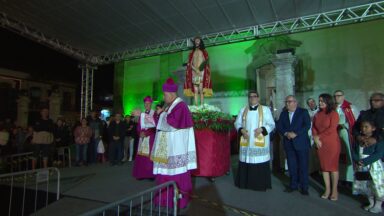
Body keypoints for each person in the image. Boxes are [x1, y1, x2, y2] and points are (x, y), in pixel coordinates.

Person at [151, 78, 197, 209]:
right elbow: (162, 120)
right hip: (168, 148)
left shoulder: (180, 105)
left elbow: (172, 123)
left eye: (165, 95)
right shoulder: (170, 105)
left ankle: (177, 200)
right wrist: (159, 114)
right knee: (165, 174)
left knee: (176, 174)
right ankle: (164, 199)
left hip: (176, 149)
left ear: (171, 94)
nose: (164, 98)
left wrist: (162, 114)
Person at [234, 90, 275, 191]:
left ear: (258, 98)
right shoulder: (243, 109)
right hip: (247, 140)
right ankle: (245, 184)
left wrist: (262, 129)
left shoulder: (265, 110)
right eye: (250, 96)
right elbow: (237, 123)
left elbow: (271, 124)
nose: (252, 98)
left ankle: (260, 184)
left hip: (259, 141)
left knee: (259, 160)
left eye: (254, 96)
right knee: (246, 160)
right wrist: (241, 129)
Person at [277, 95, 311, 195]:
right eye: (286, 102)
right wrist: (286, 133)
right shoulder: (283, 114)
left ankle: (304, 187)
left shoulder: (303, 112)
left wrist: (295, 133)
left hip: (301, 143)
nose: (287, 103)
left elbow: (307, 125)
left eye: (289, 102)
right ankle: (293, 185)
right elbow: (279, 126)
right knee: (292, 166)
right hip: (289, 144)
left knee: (303, 166)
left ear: (295, 102)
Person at [312, 93, 340, 201]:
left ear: (328, 102)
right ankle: (327, 189)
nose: (320, 103)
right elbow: (313, 127)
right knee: (324, 168)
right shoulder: (317, 114)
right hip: (320, 144)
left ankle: (334, 190)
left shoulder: (334, 114)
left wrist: (318, 137)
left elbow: (332, 129)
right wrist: (315, 137)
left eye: (322, 101)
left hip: (332, 143)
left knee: (332, 167)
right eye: (319, 101)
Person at [352, 120, 384, 213]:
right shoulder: (359, 140)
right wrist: (357, 160)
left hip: (373, 165)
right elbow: (354, 151)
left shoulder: (378, 140)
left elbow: (379, 153)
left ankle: (378, 205)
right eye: (362, 127)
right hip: (361, 165)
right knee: (366, 186)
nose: (363, 129)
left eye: (366, 127)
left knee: (376, 185)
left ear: (373, 128)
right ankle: (371, 202)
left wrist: (366, 161)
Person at [333, 90, 359, 183]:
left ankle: (349, 178)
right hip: (335, 135)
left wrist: (344, 125)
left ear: (343, 96)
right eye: (335, 96)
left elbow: (356, 122)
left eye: (339, 95)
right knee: (338, 155)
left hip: (346, 134)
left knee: (347, 155)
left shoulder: (350, 107)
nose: (336, 97)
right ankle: (340, 177)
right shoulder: (332, 108)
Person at [132, 96, 157, 179]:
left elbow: (155, 127)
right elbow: (139, 125)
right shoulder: (142, 114)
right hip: (142, 138)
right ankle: (141, 174)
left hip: (151, 137)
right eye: (145, 103)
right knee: (142, 156)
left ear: (151, 104)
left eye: (148, 103)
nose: (146, 105)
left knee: (149, 157)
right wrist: (140, 132)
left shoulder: (154, 114)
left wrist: (146, 133)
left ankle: (150, 175)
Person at [183, 36, 213, 106]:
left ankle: (202, 105)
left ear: (200, 42)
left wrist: (200, 70)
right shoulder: (191, 53)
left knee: (201, 90)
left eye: (198, 40)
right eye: (195, 40)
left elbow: (206, 62)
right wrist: (194, 69)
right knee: (196, 90)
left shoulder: (204, 52)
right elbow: (189, 63)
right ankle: (196, 105)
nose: (196, 41)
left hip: (201, 72)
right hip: (194, 73)